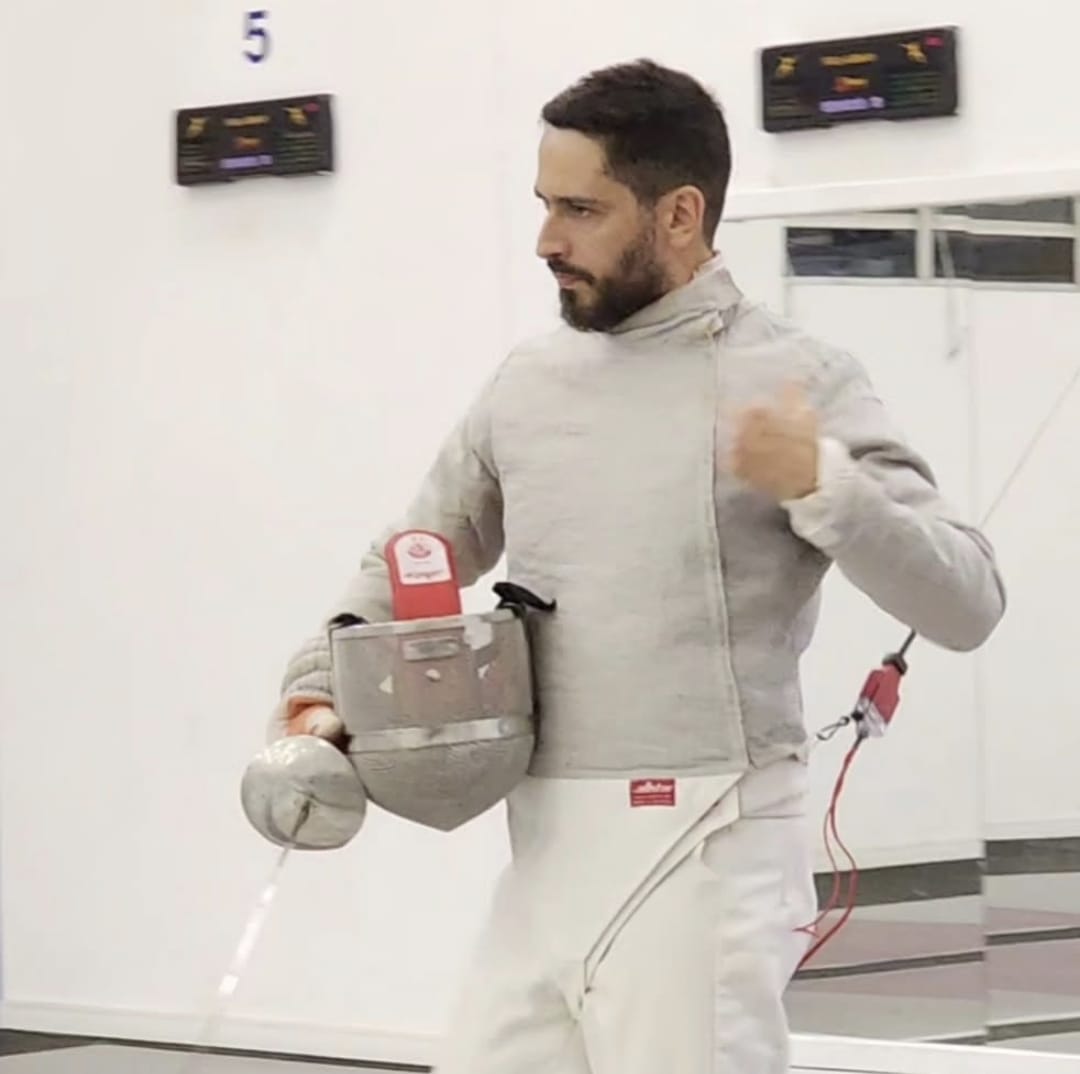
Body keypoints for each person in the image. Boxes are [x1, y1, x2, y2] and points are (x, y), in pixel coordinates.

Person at [272, 59, 1006, 1074]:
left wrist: (824, 486)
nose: (547, 240)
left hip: (708, 841)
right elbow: (418, 551)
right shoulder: (529, 383)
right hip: (544, 847)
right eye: (543, 205)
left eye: (581, 209)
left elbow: (967, 600)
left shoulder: (798, 377)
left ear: (679, 213)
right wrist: (316, 690)